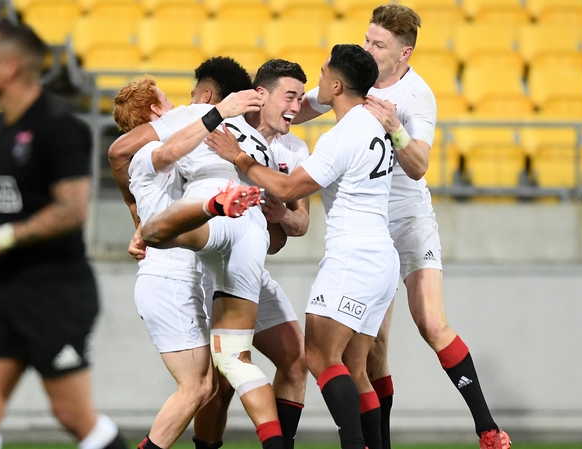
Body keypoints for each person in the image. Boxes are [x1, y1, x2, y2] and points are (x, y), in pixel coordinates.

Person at [294, 4, 511, 449]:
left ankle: (487, 428)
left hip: (407, 220)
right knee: (370, 351)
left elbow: (418, 165)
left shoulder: (417, 97)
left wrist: (395, 128)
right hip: (367, 227)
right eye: (367, 40)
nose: (368, 49)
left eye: (379, 45)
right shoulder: (353, 78)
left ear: (404, 53)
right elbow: (298, 109)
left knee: (431, 322)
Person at [109, 57, 310, 449]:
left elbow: (282, 237)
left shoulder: (216, 140)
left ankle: (184, 220)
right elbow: (153, 154)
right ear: (154, 113)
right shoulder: (159, 150)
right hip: (173, 273)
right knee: (200, 385)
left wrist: (277, 217)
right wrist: (139, 222)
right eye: (170, 102)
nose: (178, 106)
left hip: (214, 256)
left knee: (220, 373)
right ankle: (183, 219)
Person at [0, 20, 126, 449]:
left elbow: (71, 211)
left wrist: (0, 240)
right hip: (7, 289)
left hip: (56, 290)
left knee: (71, 415)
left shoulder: (62, 127)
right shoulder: (2, 128)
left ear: (8, 68)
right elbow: (2, 196)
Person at [207, 44, 395, 449]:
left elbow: (295, 203)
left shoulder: (332, 137)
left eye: (322, 75)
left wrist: (243, 163)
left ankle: (354, 444)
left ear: (338, 84)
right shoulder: (377, 124)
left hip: (352, 255)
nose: (302, 101)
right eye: (290, 96)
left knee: (319, 357)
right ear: (261, 94)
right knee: (351, 366)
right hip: (378, 255)